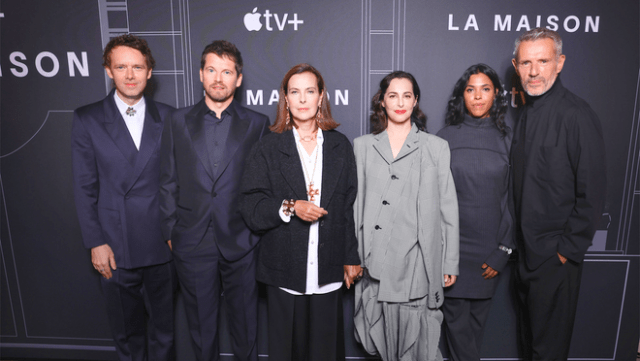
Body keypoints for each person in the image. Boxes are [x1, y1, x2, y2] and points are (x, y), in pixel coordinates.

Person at [239, 63, 361, 361]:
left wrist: (351, 257)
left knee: (324, 353)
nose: (303, 99)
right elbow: (251, 206)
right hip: (284, 271)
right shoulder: (268, 147)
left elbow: (347, 206)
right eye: (295, 92)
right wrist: (291, 207)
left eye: (310, 91)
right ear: (286, 99)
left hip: (328, 268)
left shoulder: (340, 146)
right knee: (286, 352)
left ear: (321, 97)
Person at [159, 40, 270, 361]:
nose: (218, 78)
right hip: (192, 241)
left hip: (241, 241)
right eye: (211, 70)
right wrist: (170, 232)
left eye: (226, 71)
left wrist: (254, 234)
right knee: (201, 328)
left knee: (245, 325)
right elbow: (167, 179)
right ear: (200, 74)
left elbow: (263, 186)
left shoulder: (258, 123)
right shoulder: (177, 121)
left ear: (238, 78)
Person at [71, 34, 176, 361]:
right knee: (127, 337)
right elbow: (84, 186)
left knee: (165, 334)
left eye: (137, 67)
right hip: (114, 247)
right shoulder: (87, 118)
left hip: (163, 244)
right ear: (108, 71)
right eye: (121, 67)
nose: (130, 75)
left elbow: (179, 183)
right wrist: (95, 242)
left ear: (149, 72)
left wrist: (177, 236)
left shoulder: (170, 117)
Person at [510, 28, 606, 361]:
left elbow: (592, 193)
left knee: (548, 352)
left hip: (554, 261)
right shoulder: (524, 114)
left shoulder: (577, 115)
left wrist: (564, 252)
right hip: (524, 258)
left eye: (543, 61)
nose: (533, 71)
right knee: (529, 347)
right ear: (516, 65)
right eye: (526, 62)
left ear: (560, 63)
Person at [353, 71, 459, 361]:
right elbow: (354, 205)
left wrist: (449, 261)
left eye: (407, 95)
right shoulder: (361, 146)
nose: (400, 102)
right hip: (374, 262)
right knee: (379, 344)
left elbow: (447, 208)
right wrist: (352, 256)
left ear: (415, 102)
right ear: (382, 102)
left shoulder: (436, 148)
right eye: (392, 95)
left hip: (417, 265)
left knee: (420, 346)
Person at [437, 63, 515, 361]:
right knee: (457, 329)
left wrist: (503, 250)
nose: (478, 96)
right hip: (453, 253)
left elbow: (513, 199)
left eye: (485, 89)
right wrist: (443, 254)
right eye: (471, 90)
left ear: (496, 94)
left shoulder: (509, 139)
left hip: (490, 253)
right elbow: (434, 201)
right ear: (462, 96)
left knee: (475, 329)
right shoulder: (445, 137)